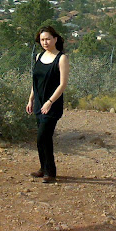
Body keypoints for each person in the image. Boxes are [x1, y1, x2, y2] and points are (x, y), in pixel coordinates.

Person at [26, 25, 70, 184]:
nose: (45, 42)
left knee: (42, 137)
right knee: (43, 138)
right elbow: (35, 82)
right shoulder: (39, 56)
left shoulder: (61, 58)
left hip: (52, 105)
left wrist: (50, 102)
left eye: (48, 39)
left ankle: (50, 172)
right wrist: (31, 99)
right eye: (42, 39)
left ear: (55, 39)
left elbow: (63, 84)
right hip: (39, 103)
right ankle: (43, 168)